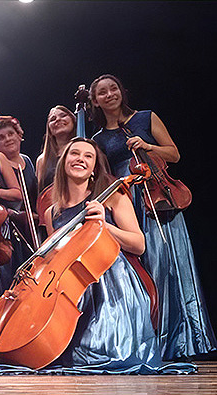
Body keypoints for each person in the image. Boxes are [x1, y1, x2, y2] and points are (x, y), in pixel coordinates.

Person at [90, 74, 216, 360]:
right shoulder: (97, 139)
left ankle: (186, 340)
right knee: (147, 268)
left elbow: (174, 154)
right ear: (95, 101)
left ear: (122, 91)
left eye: (113, 89)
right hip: (128, 203)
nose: (110, 95)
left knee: (171, 264)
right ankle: (153, 339)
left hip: (158, 197)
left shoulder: (145, 118)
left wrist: (148, 147)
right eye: (102, 93)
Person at [43, 137, 161, 371]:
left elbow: (139, 244)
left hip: (111, 283)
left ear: (95, 168)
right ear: (63, 162)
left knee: (101, 355)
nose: (80, 159)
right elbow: (54, 257)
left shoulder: (113, 197)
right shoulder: (50, 212)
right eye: (74, 154)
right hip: (73, 288)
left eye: (88, 156)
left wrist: (104, 225)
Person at [0, 115, 39, 298]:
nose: (8, 139)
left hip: (31, 224)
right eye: (1, 137)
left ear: (19, 136)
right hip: (9, 228)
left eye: (11, 134)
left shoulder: (27, 160)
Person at [35, 105, 77, 193]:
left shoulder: (87, 151)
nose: (58, 119)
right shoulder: (42, 160)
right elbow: (40, 193)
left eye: (63, 115)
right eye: (52, 119)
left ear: (73, 120)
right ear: (49, 129)